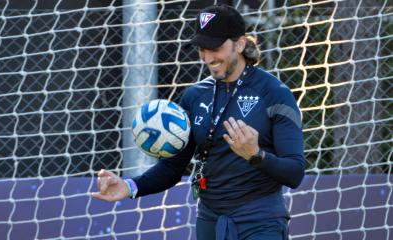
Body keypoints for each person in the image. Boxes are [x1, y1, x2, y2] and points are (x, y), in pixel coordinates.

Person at [91, 4, 305, 240]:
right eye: (203, 48)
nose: (208, 57)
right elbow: (173, 167)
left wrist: (256, 155)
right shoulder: (194, 96)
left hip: (260, 222)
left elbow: (294, 173)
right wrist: (130, 187)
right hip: (209, 220)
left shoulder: (274, 93)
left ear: (240, 44)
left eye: (215, 47)